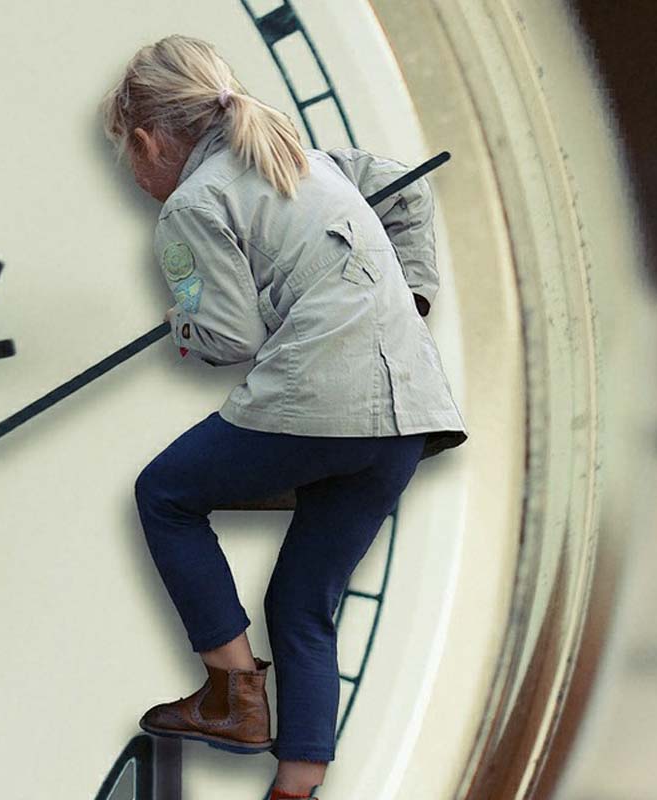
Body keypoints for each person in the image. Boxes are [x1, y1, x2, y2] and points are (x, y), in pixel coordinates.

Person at [101, 35, 464, 800]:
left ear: (147, 141)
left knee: (166, 494)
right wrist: (411, 297)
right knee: (302, 600)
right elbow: (404, 187)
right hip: (406, 415)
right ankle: (295, 789)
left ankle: (233, 694)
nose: (132, 177)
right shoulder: (308, 159)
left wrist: (184, 326)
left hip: (317, 404)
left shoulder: (190, 210)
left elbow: (229, 337)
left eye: (126, 157)